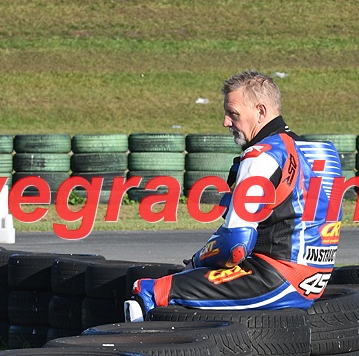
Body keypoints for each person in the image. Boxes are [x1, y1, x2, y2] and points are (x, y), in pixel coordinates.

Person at [124, 70, 343, 321]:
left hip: (274, 279)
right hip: (315, 281)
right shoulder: (319, 153)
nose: (226, 122)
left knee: (149, 290)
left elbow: (235, 246)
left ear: (260, 112)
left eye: (233, 114)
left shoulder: (261, 156)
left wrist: (197, 261)